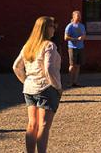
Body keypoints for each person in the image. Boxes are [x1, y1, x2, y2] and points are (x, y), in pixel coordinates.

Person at [13, 16, 63, 153]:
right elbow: (49, 69)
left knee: (32, 125)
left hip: (29, 88)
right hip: (46, 88)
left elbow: (16, 67)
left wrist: (26, 81)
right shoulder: (49, 45)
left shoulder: (28, 45)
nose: (54, 29)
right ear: (46, 28)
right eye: (53, 26)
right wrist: (58, 87)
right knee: (43, 126)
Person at [64, 11, 86, 88]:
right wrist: (75, 39)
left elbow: (84, 35)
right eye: (77, 16)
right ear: (73, 17)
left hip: (81, 47)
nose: (79, 17)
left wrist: (83, 37)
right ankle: (70, 82)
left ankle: (75, 82)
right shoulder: (70, 26)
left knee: (78, 65)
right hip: (72, 48)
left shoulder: (82, 26)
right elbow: (66, 37)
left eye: (80, 15)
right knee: (72, 65)